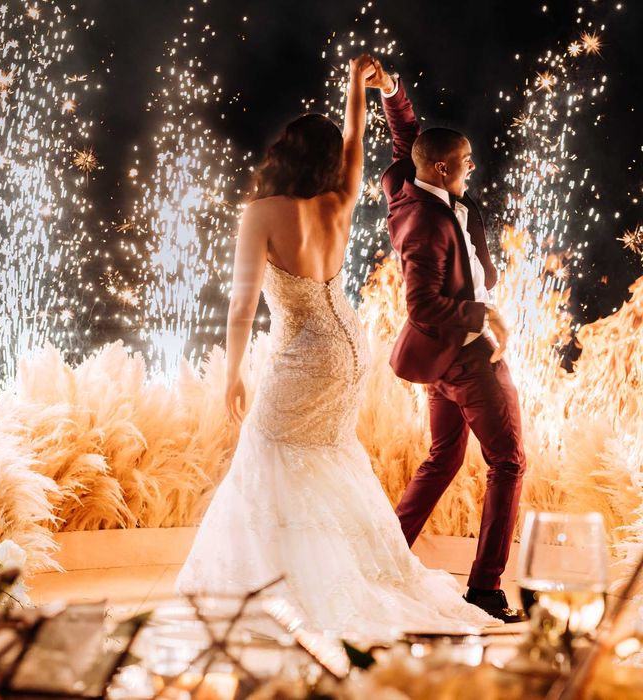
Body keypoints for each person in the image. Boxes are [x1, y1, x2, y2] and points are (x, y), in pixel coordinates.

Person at [176, 55, 499, 638]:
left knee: (268, 456)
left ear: (284, 155)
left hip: (304, 353)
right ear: (326, 162)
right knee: (328, 458)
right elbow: (356, 142)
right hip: (351, 350)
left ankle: (290, 591)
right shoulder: (339, 203)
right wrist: (358, 82)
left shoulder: (261, 214)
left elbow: (242, 306)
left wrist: (232, 374)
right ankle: (349, 574)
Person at [372, 62, 528, 623]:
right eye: (464, 162)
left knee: (443, 458)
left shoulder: (407, 179)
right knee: (508, 461)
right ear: (442, 168)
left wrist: (392, 92)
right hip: (465, 355)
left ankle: (379, 560)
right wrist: (482, 313)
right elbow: (421, 305)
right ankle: (486, 589)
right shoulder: (423, 221)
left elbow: (408, 139)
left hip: (441, 361)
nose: (471, 167)